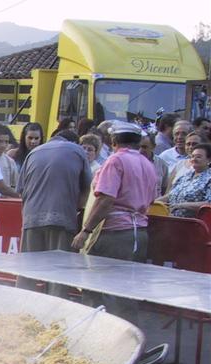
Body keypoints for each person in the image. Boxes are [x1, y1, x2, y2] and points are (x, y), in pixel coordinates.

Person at [71, 121, 160, 320]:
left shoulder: (115, 161)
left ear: (113, 141)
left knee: (95, 286)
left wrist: (86, 230)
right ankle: (128, 332)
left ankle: (98, 331)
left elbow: (106, 199)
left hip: (114, 234)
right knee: (127, 291)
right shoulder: (148, 164)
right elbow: (151, 199)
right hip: (139, 233)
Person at [17, 130, 90, 256]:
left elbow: (21, 190)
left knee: (30, 264)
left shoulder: (33, 152)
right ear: (75, 142)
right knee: (59, 264)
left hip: (31, 218)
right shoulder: (77, 150)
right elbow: (88, 188)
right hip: (63, 218)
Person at [156, 142, 211, 218]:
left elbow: (209, 203)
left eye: (198, 157)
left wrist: (183, 205)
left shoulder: (209, 178)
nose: (194, 159)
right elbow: (171, 195)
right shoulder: (186, 176)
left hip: (195, 222)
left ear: (209, 160)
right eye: (192, 156)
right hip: (172, 219)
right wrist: (155, 202)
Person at [0, 124, 20, 189]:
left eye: (6, 142)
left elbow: (15, 185)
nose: (3, 145)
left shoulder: (10, 162)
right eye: (0, 141)